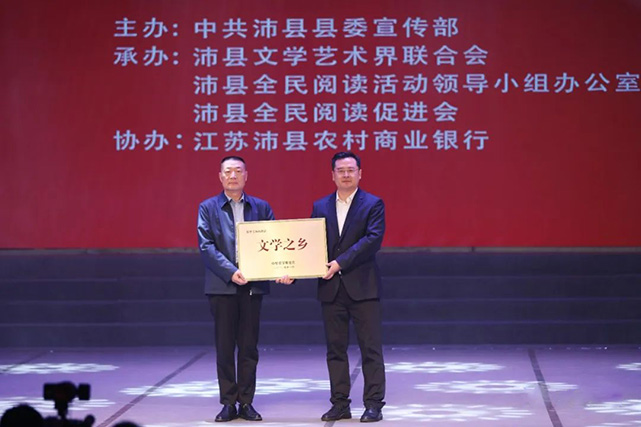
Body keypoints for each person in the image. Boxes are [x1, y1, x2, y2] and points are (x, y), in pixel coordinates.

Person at [198, 156, 292, 422]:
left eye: (238, 171)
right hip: (222, 285)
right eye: (228, 171)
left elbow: (275, 243)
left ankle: (247, 402)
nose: (233, 176)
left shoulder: (261, 207)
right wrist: (230, 271)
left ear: (246, 176)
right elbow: (206, 246)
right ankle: (228, 403)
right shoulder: (208, 207)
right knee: (225, 347)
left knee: (249, 347)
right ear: (220, 176)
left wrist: (282, 270)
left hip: (253, 286)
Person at [311, 152, 386, 423]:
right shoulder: (320, 206)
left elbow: (372, 240)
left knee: (370, 349)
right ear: (332, 175)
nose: (346, 174)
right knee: (335, 350)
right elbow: (312, 245)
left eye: (350, 170)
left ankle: (374, 404)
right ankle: (340, 403)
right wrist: (294, 271)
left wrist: (340, 263)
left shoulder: (373, 204)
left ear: (360, 173)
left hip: (363, 287)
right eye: (340, 170)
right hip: (331, 288)